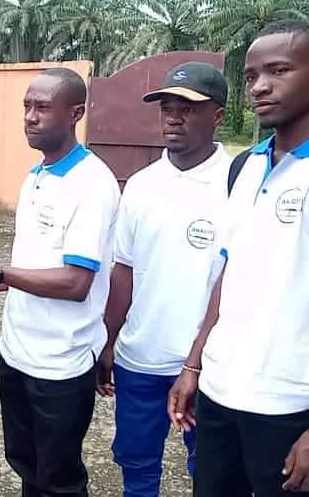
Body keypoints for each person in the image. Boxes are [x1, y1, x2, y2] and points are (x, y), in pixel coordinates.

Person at [168, 20, 309, 496]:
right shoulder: (245, 166)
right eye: (251, 76)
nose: (259, 86)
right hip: (218, 394)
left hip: (290, 404)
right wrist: (194, 366)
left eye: (278, 71)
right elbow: (227, 274)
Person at [0, 68, 120, 496]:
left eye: (42, 107)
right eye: (26, 106)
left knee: (59, 481)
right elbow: (28, 268)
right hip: (16, 354)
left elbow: (76, 283)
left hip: (60, 364)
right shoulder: (36, 176)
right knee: (27, 467)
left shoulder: (92, 184)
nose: (30, 117)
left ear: (75, 113)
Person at [97, 62, 230, 497]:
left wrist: (197, 361)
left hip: (211, 364)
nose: (173, 118)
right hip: (141, 358)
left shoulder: (238, 184)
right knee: (136, 467)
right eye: (167, 109)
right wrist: (108, 341)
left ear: (218, 115)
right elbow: (124, 270)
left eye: (187, 109)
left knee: (211, 473)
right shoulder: (141, 185)